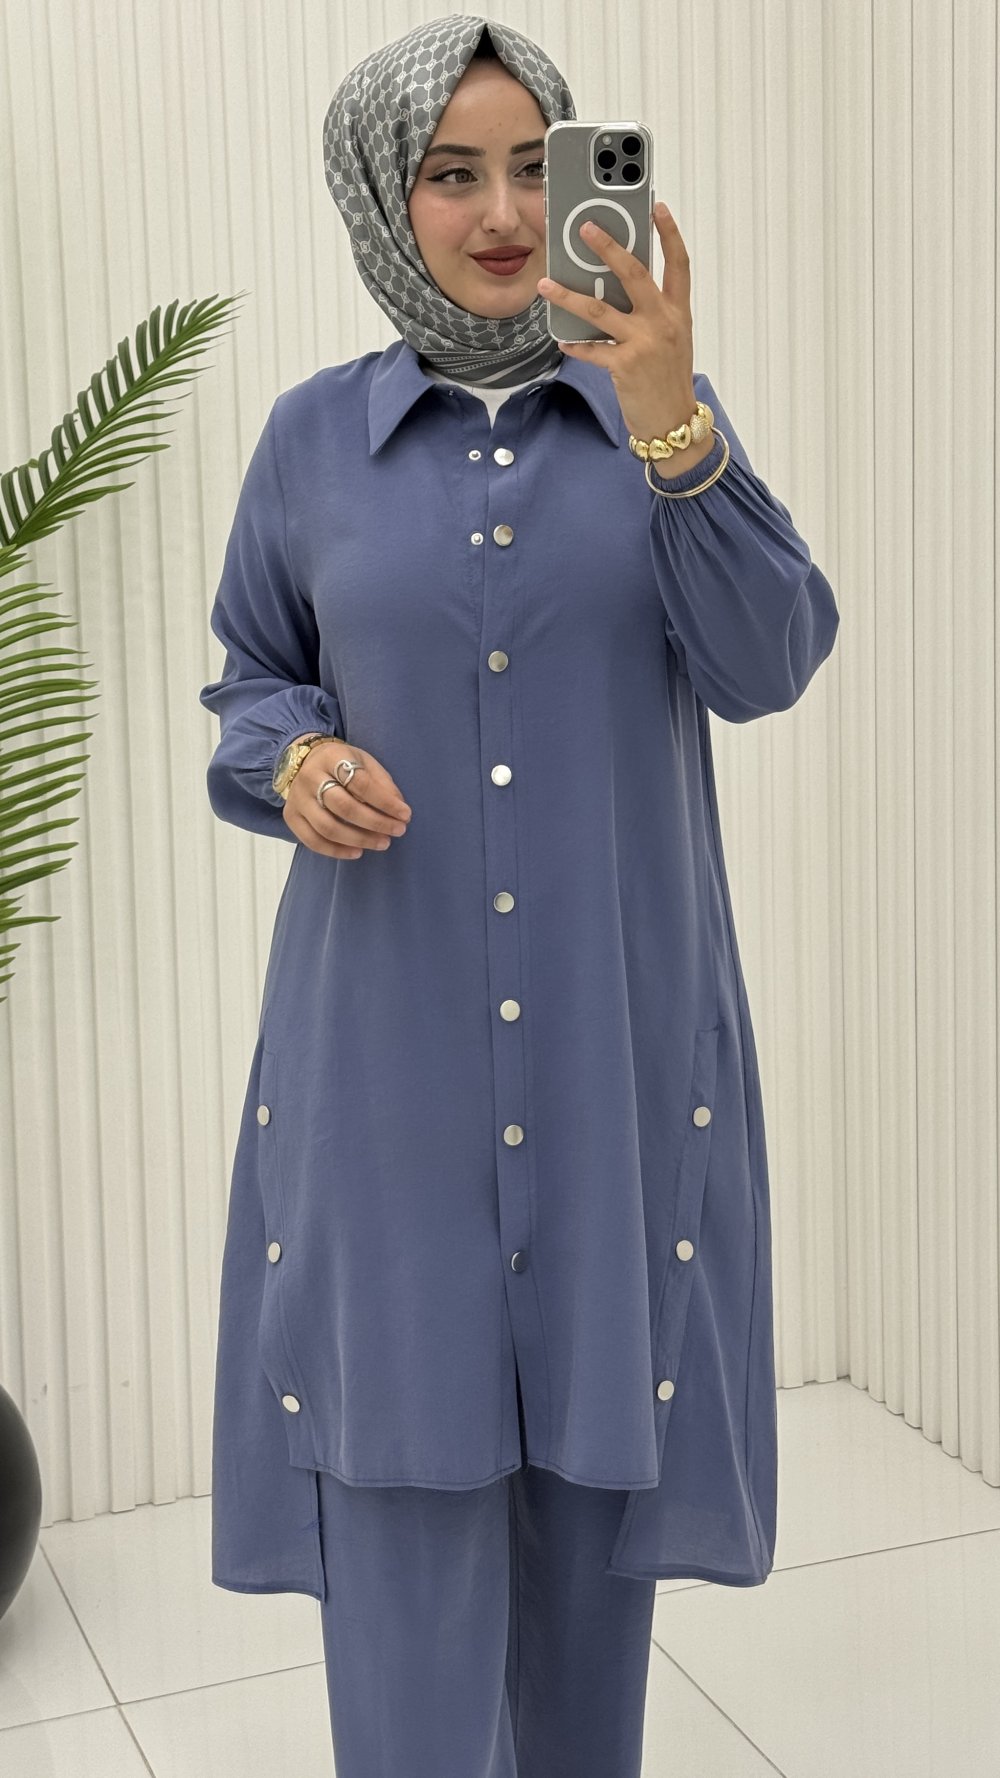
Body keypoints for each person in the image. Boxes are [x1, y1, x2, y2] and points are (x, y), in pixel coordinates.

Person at [199, 14, 840, 1777]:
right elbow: (250, 677)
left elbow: (771, 658)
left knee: (585, 1541)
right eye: (450, 171)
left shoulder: (655, 421)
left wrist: (673, 422)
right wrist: (292, 761)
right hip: (385, 1073)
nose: (499, 213)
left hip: (610, 1066)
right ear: (380, 194)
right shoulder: (310, 442)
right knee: (402, 1515)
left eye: (530, 169)